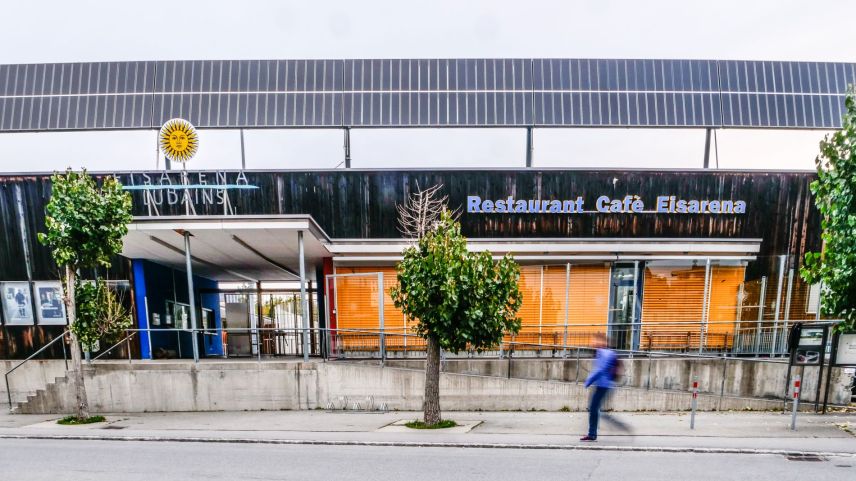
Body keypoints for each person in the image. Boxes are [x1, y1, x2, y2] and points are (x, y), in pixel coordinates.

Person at [580, 332, 621, 442]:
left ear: (603, 342)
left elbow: (600, 369)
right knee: (594, 409)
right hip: (603, 385)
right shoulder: (603, 353)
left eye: (595, 340)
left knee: (594, 409)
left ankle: (593, 433)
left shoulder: (603, 353)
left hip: (604, 385)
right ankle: (592, 433)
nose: (593, 342)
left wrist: (588, 381)